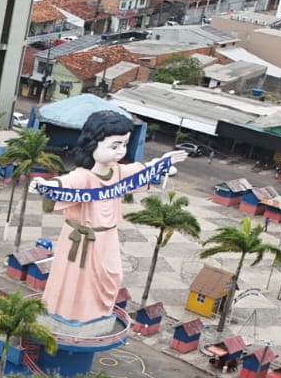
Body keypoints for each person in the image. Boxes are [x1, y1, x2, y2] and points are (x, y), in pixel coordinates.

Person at [32, 111, 184, 323]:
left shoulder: (118, 172)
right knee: (78, 282)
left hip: (108, 237)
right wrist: (45, 186)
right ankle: (74, 316)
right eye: (114, 146)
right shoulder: (83, 176)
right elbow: (64, 184)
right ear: (93, 144)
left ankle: (97, 314)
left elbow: (141, 172)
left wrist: (162, 163)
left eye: (124, 145)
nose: (120, 152)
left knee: (113, 276)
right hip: (82, 238)